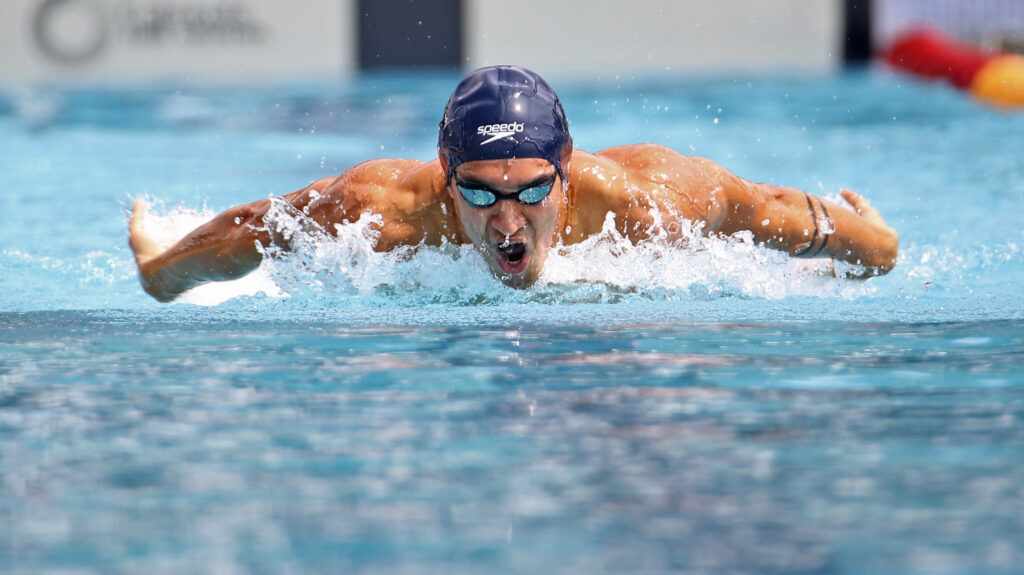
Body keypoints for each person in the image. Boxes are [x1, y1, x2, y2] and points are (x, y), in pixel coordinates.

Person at [129, 65, 898, 302]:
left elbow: (762, 210)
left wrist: (871, 244)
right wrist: (163, 271)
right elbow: (256, 228)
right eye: (479, 192)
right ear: (443, 175)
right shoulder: (378, 214)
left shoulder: (643, 203)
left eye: (532, 190)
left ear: (567, 170)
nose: (507, 223)